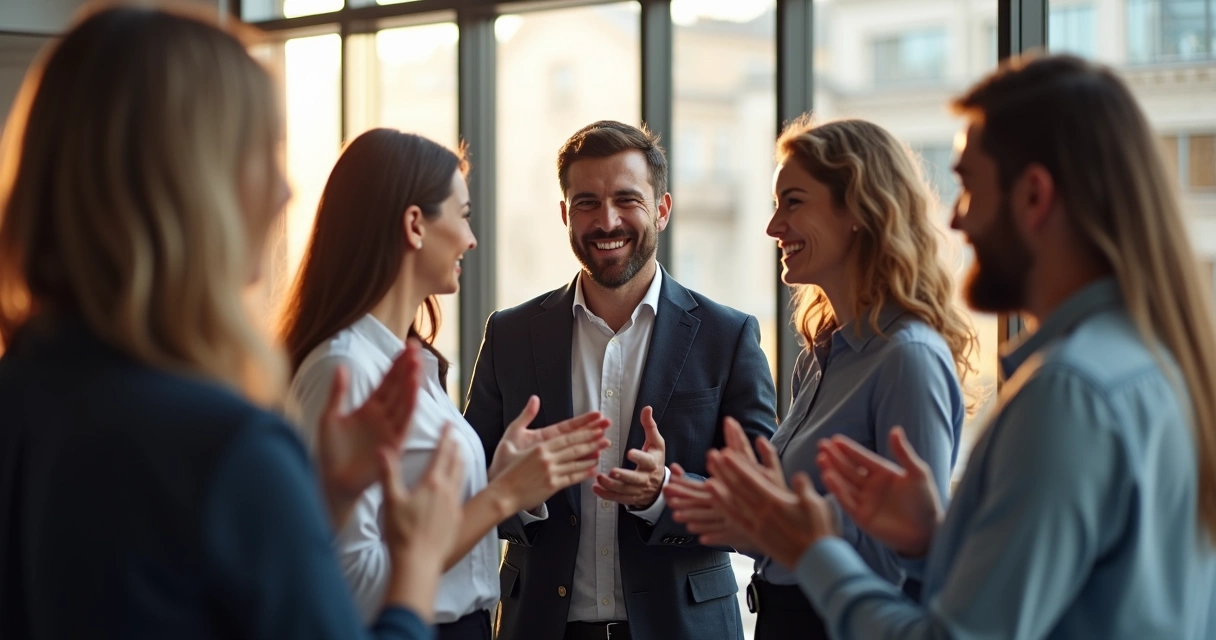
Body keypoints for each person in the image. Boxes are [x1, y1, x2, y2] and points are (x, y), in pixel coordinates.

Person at [701, 54, 1216, 639]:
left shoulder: (1067, 394)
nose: (956, 219)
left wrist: (815, 552)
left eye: (968, 186)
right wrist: (931, 542)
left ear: (1034, 196)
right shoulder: (1152, 365)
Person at [0, 5, 461, 639]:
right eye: (261, 154)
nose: (284, 192)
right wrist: (418, 561)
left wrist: (315, 502)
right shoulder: (225, 447)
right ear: (189, 185)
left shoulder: (27, 391)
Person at [280, 128, 611, 640]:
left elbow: (416, 522)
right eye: (463, 215)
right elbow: (346, 582)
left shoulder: (403, 360)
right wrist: (500, 496)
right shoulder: (342, 369)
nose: (471, 239)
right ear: (415, 224)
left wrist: (493, 474)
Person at [464, 120, 778, 640]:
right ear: (565, 214)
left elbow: (764, 504)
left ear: (662, 209)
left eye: (626, 199)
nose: (606, 220)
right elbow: (469, 490)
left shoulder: (728, 336)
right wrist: (522, 491)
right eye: (586, 202)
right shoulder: (509, 335)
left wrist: (665, 492)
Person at [665, 117, 977, 640]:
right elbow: (790, 546)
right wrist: (746, 517)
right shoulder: (819, 356)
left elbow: (910, 559)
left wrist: (787, 524)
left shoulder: (909, 359)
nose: (772, 227)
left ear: (857, 208)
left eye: (793, 202)